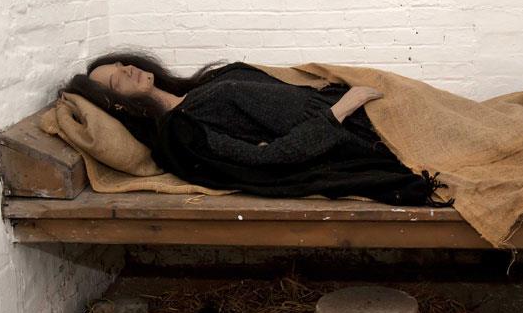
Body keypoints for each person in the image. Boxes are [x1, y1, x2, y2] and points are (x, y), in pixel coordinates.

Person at [62, 51, 447, 205]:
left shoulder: (193, 91)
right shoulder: (182, 131)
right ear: (118, 104)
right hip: (356, 133)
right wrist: (344, 108)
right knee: (464, 144)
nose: (128, 70)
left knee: (457, 116)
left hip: (359, 106)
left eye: (121, 64)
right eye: (116, 80)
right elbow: (269, 158)